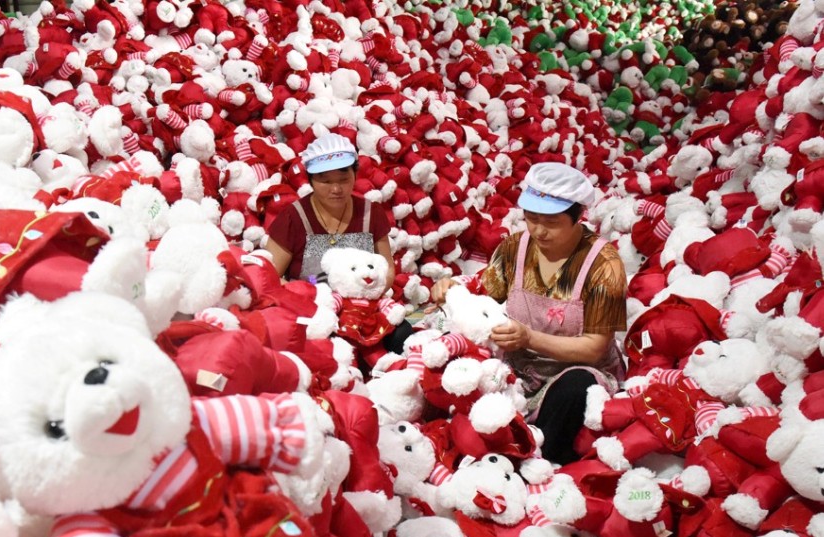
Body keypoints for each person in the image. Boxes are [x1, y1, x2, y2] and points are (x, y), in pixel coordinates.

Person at [431, 162, 627, 465]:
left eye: (550, 222)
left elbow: (594, 347)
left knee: (576, 389)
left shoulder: (604, 265)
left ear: (578, 217)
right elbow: (486, 290)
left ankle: (537, 458)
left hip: (572, 370)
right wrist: (453, 286)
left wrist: (529, 338)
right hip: (516, 367)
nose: (538, 230)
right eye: (531, 219)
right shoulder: (515, 248)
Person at [265, 133, 413, 356]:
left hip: (363, 308)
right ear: (310, 180)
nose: (336, 189)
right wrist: (311, 297)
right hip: (313, 310)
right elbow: (270, 276)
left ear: (355, 174)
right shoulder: (294, 218)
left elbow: (387, 268)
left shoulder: (370, 213)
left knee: (402, 334)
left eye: (343, 180)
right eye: (325, 181)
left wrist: (362, 296)